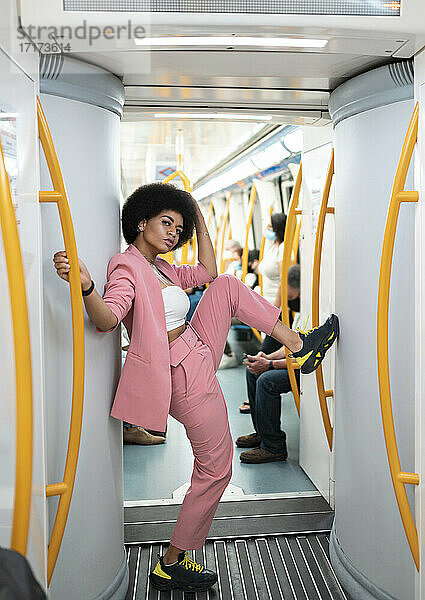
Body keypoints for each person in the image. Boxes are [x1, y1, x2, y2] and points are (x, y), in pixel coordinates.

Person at [53, 183, 339, 594]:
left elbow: (205, 272)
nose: (173, 233)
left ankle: (298, 346)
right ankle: (172, 562)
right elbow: (108, 318)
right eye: (165, 223)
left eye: (178, 228)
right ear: (140, 221)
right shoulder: (126, 266)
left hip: (196, 345)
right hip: (180, 370)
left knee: (225, 286)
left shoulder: (163, 267)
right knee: (215, 469)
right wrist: (84, 286)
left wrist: (200, 222)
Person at [236, 265, 302, 463]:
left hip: (308, 369)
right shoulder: (300, 312)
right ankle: (263, 433)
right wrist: (269, 357)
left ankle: (274, 447)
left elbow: (303, 357)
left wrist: (271, 366)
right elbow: (294, 345)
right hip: (297, 363)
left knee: (267, 380)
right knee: (253, 371)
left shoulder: (314, 308)